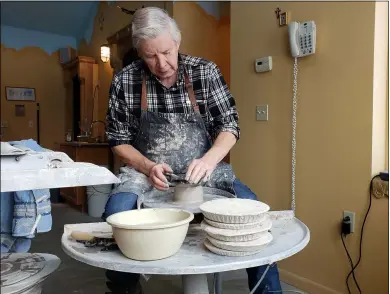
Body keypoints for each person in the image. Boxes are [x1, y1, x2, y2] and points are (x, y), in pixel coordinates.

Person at [103, 6, 282, 294]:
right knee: (116, 213)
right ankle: (125, 289)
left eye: (166, 52)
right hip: (146, 172)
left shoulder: (205, 72)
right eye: (150, 56)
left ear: (177, 42)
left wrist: (210, 159)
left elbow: (230, 126)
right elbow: (117, 139)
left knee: (252, 214)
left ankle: (267, 291)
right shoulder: (126, 80)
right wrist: (148, 167)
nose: (161, 63)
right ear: (139, 53)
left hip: (206, 171)